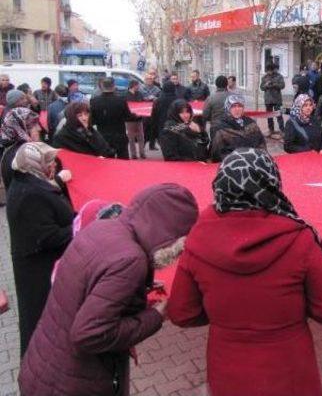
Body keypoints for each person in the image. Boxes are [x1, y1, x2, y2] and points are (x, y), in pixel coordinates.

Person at [167, 148, 322, 396]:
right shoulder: (299, 238)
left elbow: (181, 312)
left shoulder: (198, 238)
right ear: (271, 183)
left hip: (227, 366)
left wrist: (225, 318)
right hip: (290, 367)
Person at [19, 183, 199, 396]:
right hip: (74, 383)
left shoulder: (103, 226)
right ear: (170, 234)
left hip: (47, 366)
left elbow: (91, 291)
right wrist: (157, 314)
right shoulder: (131, 260)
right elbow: (89, 334)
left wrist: (138, 290)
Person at [6, 142, 74, 357]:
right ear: (34, 164)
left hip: (38, 264)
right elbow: (48, 237)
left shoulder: (30, 182)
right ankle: (41, 363)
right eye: (48, 161)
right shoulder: (30, 194)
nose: (53, 164)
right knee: (40, 317)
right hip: (39, 271)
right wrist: (79, 226)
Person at [90, 78, 139, 159]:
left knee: (107, 162)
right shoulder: (120, 100)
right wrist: (137, 116)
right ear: (114, 87)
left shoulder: (94, 101)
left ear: (101, 87)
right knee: (123, 161)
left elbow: (92, 120)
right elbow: (128, 116)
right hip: (119, 136)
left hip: (103, 136)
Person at [209, 95, 266, 162]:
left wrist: (259, 158)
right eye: (233, 106)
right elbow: (217, 153)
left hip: (253, 162)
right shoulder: (220, 127)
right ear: (228, 107)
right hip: (232, 165)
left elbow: (261, 143)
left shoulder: (251, 123)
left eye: (240, 106)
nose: (237, 109)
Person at [0, 108, 43, 190]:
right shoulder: (23, 155)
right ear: (20, 128)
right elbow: (37, 188)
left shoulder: (10, 149)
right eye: (33, 125)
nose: (39, 128)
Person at [150, 81, 178, 149]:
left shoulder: (158, 100)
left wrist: (153, 124)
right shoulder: (177, 100)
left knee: (164, 142)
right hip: (175, 124)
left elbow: (154, 114)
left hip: (162, 124)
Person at [260, 63, 285, 136]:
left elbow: (282, 85)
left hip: (277, 99)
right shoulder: (264, 77)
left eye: (270, 71)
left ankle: (282, 130)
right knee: (269, 115)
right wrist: (266, 85)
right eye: (267, 71)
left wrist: (274, 84)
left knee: (279, 115)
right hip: (268, 99)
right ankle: (271, 130)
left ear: (273, 70)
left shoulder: (279, 76)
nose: (269, 72)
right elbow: (261, 88)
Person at [124, 81, 145, 159]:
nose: (138, 87)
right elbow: (125, 107)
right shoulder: (126, 95)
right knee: (131, 137)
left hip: (139, 119)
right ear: (133, 86)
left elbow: (143, 103)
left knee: (141, 137)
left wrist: (142, 112)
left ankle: (142, 153)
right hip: (129, 120)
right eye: (137, 85)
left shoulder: (139, 94)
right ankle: (133, 154)